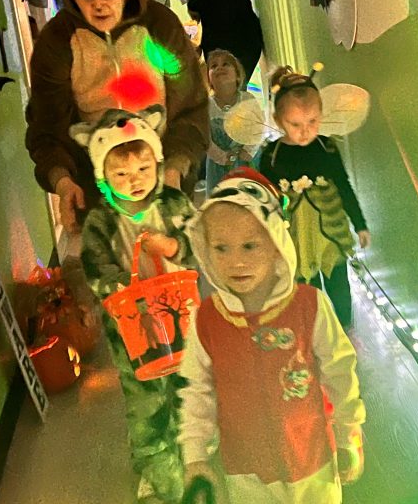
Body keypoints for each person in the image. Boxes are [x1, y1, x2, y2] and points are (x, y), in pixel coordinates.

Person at [179, 169, 365, 504]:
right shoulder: (206, 319)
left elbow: (339, 371)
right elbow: (196, 390)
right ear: (205, 249)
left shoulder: (309, 306)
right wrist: (195, 456)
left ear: (277, 245)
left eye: (250, 246)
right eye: (221, 248)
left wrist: (347, 433)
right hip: (246, 472)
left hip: (313, 462)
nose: (236, 262)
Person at [25, 0, 209, 235]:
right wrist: (62, 181)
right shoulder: (57, 41)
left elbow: (191, 107)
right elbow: (46, 126)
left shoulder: (160, 25)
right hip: (97, 194)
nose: (98, 5)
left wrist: (175, 168)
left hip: (164, 181)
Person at [68, 106, 197, 504]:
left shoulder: (174, 204)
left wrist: (174, 246)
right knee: (146, 399)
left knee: (189, 385)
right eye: (121, 174)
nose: (134, 180)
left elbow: (204, 245)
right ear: (103, 177)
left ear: (156, 162)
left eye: (142, 169)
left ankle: (193, 449)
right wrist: (124, 287)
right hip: (133, 331)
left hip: (182, 318)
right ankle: (155, 463)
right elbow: (95, 266)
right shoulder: (101, 221)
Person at [258, 67, 370, 329]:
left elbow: (343, 185)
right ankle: (312, 331)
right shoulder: (272, 155)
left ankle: (344, 327)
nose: (305, 132)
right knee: (304, 287)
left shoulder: (326, 148)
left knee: (337, 281)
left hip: (329, 233)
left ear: (322, 115)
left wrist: (360, 224)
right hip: (295, 234)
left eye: (313, 122)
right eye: (295, 124)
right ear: (278, 120)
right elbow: (265, 199)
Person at [205, 49, 261, 192]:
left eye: (226, 64)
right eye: (214, 66)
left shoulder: (247, 99)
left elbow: (257, 127)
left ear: (237, 75)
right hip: (218, 164)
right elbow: (205, 138)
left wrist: (248, 151)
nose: (219, 68)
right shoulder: (206, 105)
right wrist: (222, 157)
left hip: (248, 159)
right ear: (209, 79)